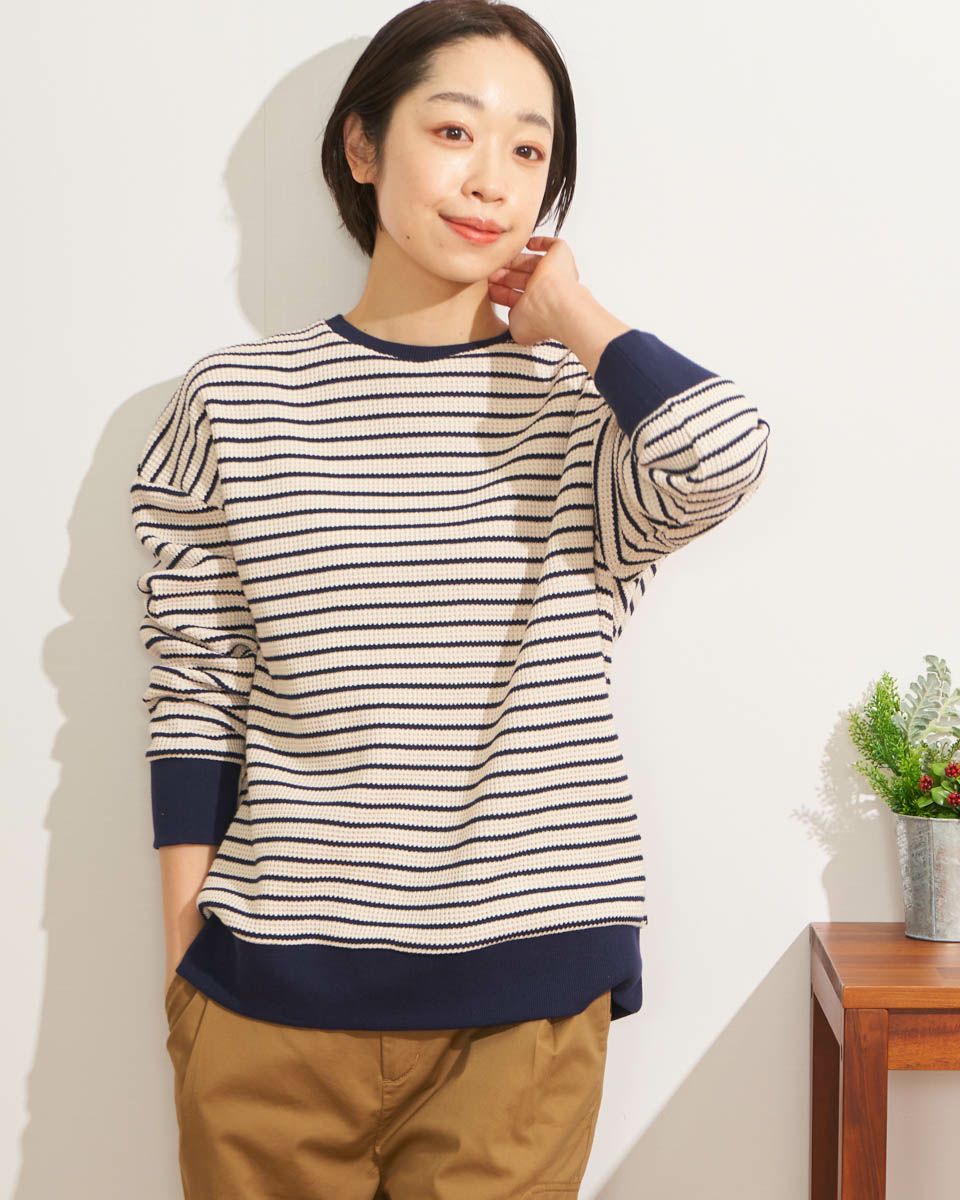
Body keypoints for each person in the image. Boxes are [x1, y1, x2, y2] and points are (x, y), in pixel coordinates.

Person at [129, 1, 772, 1195]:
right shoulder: (233, 401)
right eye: (455, 131)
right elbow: (196, 680)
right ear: (362, 145)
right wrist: (185, 954)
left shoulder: (580, 417)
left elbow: (724, 452)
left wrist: (572, 316)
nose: (492, 180)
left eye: (530, 149)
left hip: (522, 1011)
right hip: (269, 997)